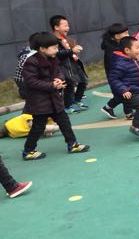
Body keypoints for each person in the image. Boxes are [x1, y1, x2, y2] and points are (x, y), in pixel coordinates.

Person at [21, 32, 90, 160]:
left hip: (54, 99)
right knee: (38, 127)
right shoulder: (31, 62)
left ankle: (72, 144)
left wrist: (59, 79)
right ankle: (28, 151)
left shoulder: (53, 59)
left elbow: (59, 71)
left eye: (57, 47)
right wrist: (52, 85)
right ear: (42, 49)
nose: (57, 50)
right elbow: (31, 82)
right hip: (39, 102)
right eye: (54, 48)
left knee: (64, 122)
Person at [50, 15, 88, 113]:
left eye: (68, 25)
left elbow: (70, 50)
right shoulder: (52, 40)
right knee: (70, 84)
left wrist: (74, 48)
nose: (68, 28)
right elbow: (56, 54)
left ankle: (76, 100)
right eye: (65, 25)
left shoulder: (65, 39)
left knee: (83, 81)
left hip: (73, 63)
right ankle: (67, 106)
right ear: (56, 27)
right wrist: (71, 50)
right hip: (62, 66)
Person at [100, 23, 134, 120]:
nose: (128, 35)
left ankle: (108, 107)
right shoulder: (112, 50)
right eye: (125, 33)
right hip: (116, 76)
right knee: (125, 93)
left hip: (122, 74)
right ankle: (129, 113)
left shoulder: (119, 45)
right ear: (117, 36)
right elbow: (116, 65)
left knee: (121, 95)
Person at [14, 33, 38, 100]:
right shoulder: (26, 53)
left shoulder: (34, 51)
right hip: (22, 79)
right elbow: (22, 66)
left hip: (29, 79)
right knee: (30, 97)